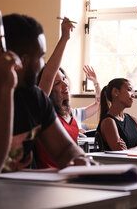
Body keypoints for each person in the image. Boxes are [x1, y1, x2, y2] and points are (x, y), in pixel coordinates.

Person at [0, 14, 96, 179]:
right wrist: (6, 88)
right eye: (41, 56)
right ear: (20, 60)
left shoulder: (34, 97)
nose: (42, 65)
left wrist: (79, 159)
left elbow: (64, 149)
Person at [35, 18, 101, 168]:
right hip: (46, 177)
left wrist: (96, 83)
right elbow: (47, 78)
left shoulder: (73, 114)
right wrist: (64, 38)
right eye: (57, 83)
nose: (65, 84)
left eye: (64, 79)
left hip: (68, 175)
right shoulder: (42, 111)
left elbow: (99, 103)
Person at [97, 78, 137, 151]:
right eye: (129, 90)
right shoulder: (108, 122)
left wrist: (131, 149)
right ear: (115, 92)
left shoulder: (133, 119)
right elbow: (121, 153)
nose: (133, 95)